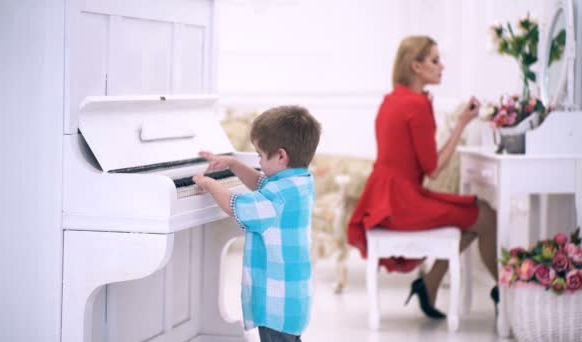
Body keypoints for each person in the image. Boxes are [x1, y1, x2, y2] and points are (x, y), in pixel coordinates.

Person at [347, 36, 499, 319]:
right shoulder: (417, 104)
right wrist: (461, 125)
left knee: (475, 214)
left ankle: (430, 283)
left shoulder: (393, 99)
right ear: (416, 66)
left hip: (385, 198)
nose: (442, 66)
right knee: (486, 216)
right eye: (435, 60)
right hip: (401, 202)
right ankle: (507, 293)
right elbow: (433, 168)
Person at [193, 105, 321, 342]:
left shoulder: (277, 197)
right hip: (293, 297)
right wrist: (234, 164)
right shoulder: (300, 181)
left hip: (276, 302)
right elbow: (262, 183)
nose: (259, 162)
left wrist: (209, 184)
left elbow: (235, 205)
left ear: (281, 156)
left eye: (261, 156)